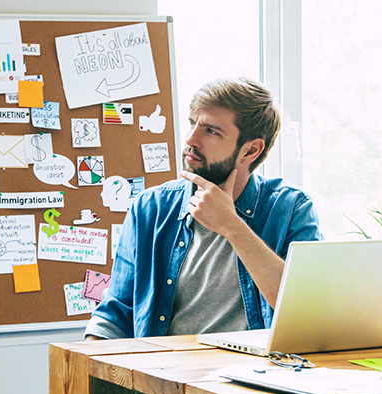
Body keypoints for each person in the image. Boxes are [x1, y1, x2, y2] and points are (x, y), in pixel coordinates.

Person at [84, 77, 321, 340]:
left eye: (211, 131)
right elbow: (116, 313)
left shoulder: (290, 208)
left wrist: (231, 226)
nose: (191, 139)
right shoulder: (150, 208)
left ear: (251, 150)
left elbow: (305, 311)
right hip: (164, 371)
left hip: (256, 374)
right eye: (192, 123)